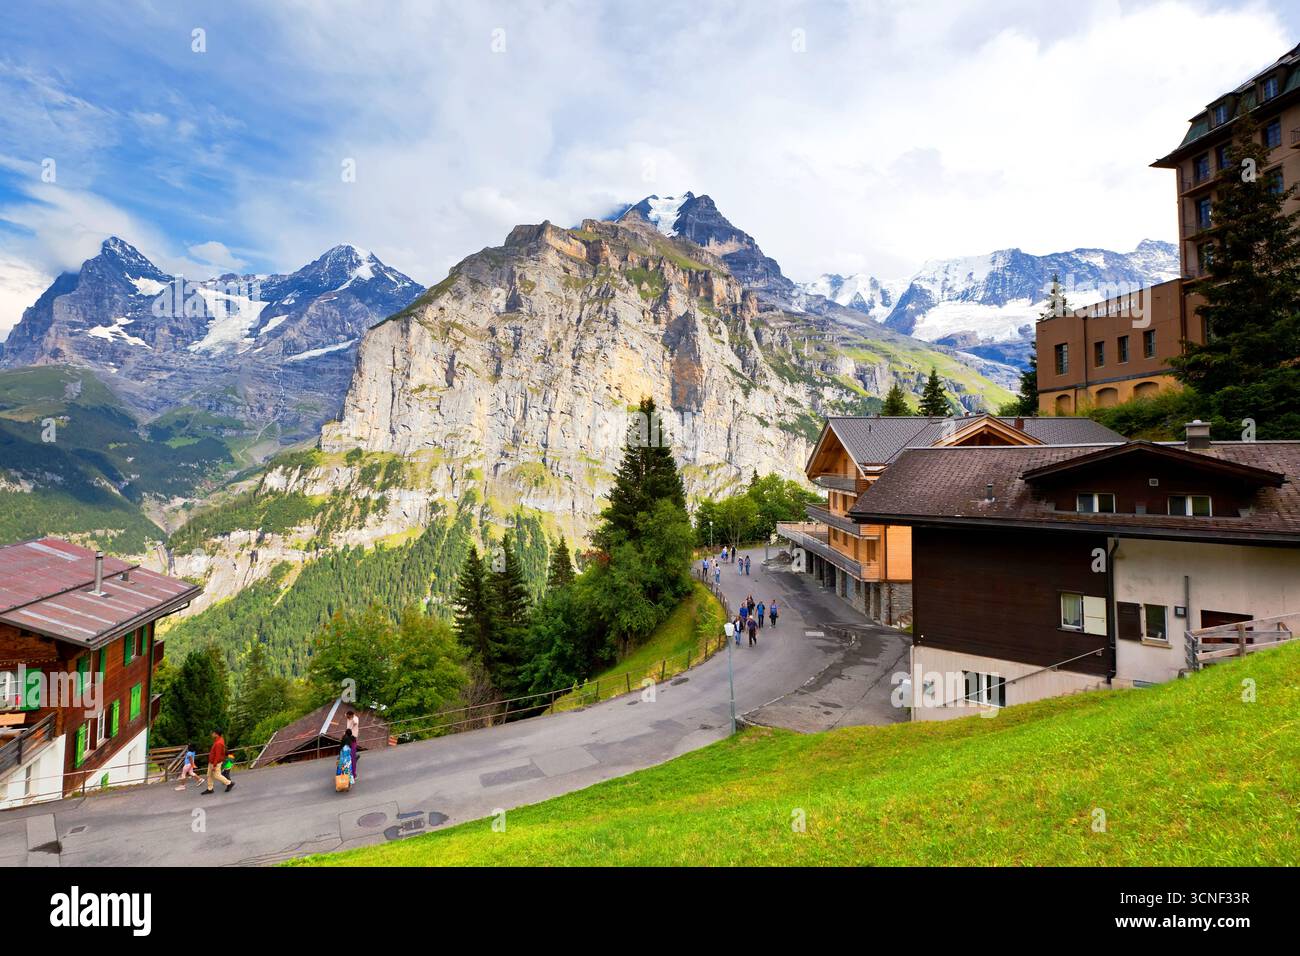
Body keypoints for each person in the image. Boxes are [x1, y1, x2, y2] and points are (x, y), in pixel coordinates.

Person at [346, 709, 361, 781]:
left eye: (348, 716)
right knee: (351, 757)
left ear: (352, 715)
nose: (347, 717)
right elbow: (346, 714)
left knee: (351, 758)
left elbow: (355, 722)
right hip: (349, 737)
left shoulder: (355, 718)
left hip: (352, 737)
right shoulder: (348, 717)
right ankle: (352, 775)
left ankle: (352, 775)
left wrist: (352, 721)